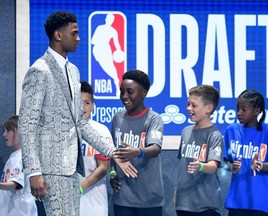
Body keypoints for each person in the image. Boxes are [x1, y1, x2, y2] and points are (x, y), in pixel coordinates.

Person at [18, 11, 136, 216]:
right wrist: (34, 171)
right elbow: (27, 124)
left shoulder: (73, 71)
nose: (79, 38)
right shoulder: (40, 70)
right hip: (51, 169)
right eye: (74, 33)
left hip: (73, 168)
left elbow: (79, 123)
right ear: (58, 35)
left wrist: (113, 153)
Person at [110, 69, 165, 216]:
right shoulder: (117, 118)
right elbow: (112, 152)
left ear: (144, 93)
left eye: (130, 92)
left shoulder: (154, 119)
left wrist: (138, 151)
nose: (124, 96)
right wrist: (112, 173)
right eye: (122, 92)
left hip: (149, 201)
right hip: (122, 199)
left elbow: (155, 148)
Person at [223, 90, 268, 216]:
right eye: (237, 108)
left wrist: (260, 165)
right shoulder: (231, 131)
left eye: (244, 109)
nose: (239, 113)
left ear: (257, 111)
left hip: (260, 203)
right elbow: (224, 162)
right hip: (236, 202)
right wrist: (231, 167)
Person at [174, 84, 223, 216]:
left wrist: (200, 166)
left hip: (206, 207)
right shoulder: (185, 131)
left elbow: (213, 166)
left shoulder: (215, 135)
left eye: (194, 105)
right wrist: (176, 192)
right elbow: (182, 167)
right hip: (184, 204)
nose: (189, 108)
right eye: (188, 104)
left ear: (209, 108)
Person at [79, 81, 111, 216]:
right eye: (79, 102)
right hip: (66, 201)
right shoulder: (61, 131)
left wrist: (80, 189)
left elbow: (103, 168)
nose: (83, 107)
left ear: (93, 106)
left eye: (87, 103)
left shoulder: (101, 130)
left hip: (94, 203)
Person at [0, 115, 38, 216]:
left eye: (8, 131)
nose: (4, 134)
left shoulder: (22, 157)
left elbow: (14, 184)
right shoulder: (15, 156)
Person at [91, 13, 124, 96]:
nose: (110, 21)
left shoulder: (113, 31)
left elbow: (117, 44)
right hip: (98, 50)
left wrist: (119, 51)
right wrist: (101, 40)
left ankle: (117, 88)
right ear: (106, 19)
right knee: (105, 68)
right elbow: (92, 41)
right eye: (108, 19)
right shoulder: (100, 28)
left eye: (111, 20)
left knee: (112, 70)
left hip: (106, 50)